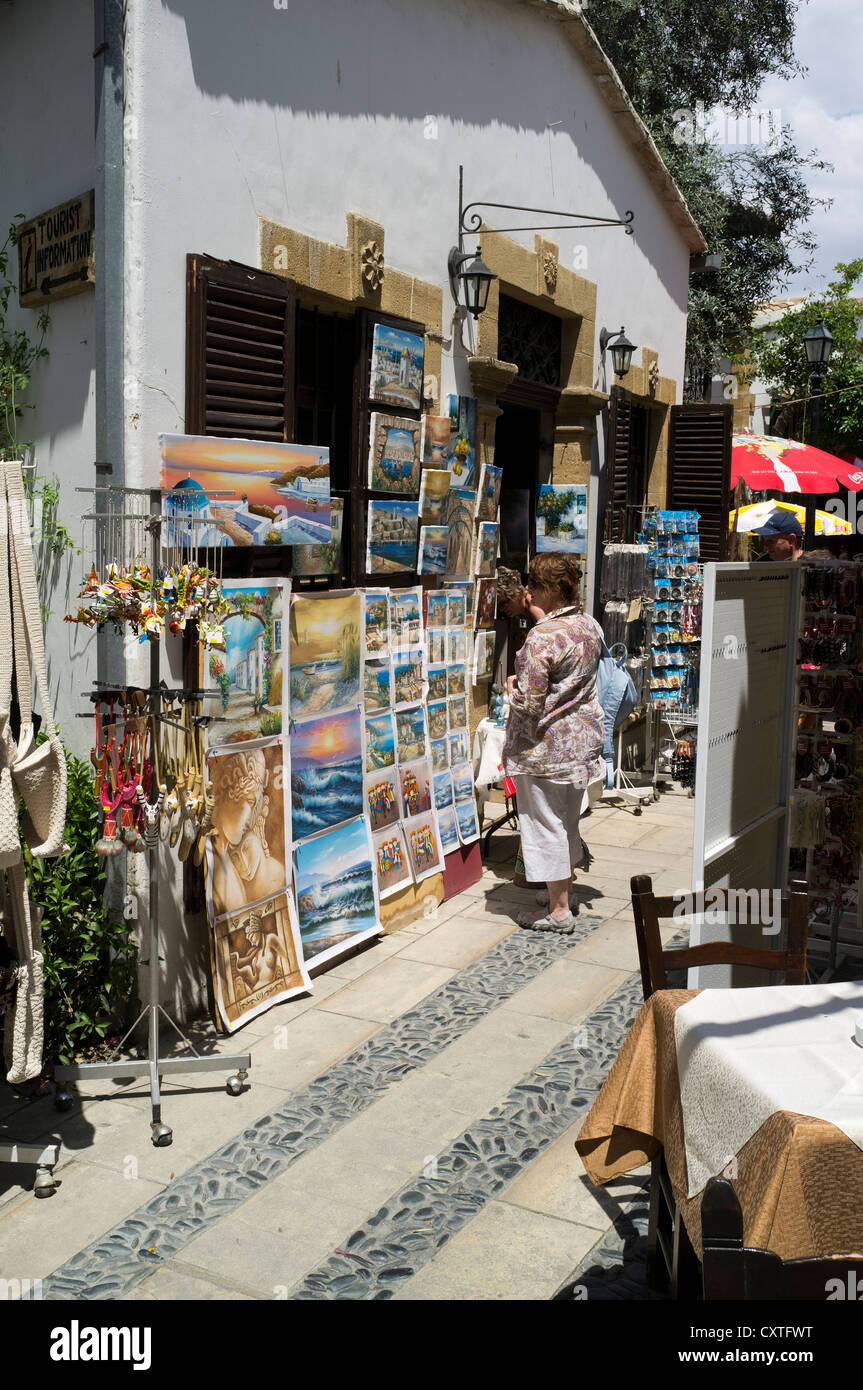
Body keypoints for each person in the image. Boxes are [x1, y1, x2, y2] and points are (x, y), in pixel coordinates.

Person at [502, 553, 604, 934]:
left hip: (545, 748)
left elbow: (529, 702)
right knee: (566, 821)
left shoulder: (543, 636)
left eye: (533, 584)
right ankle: (562, 890)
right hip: (581, 743)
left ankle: (559, 910)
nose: (527, 591)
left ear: (550, 590)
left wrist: (510, 687)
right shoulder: (587, 625)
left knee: (545, 824)